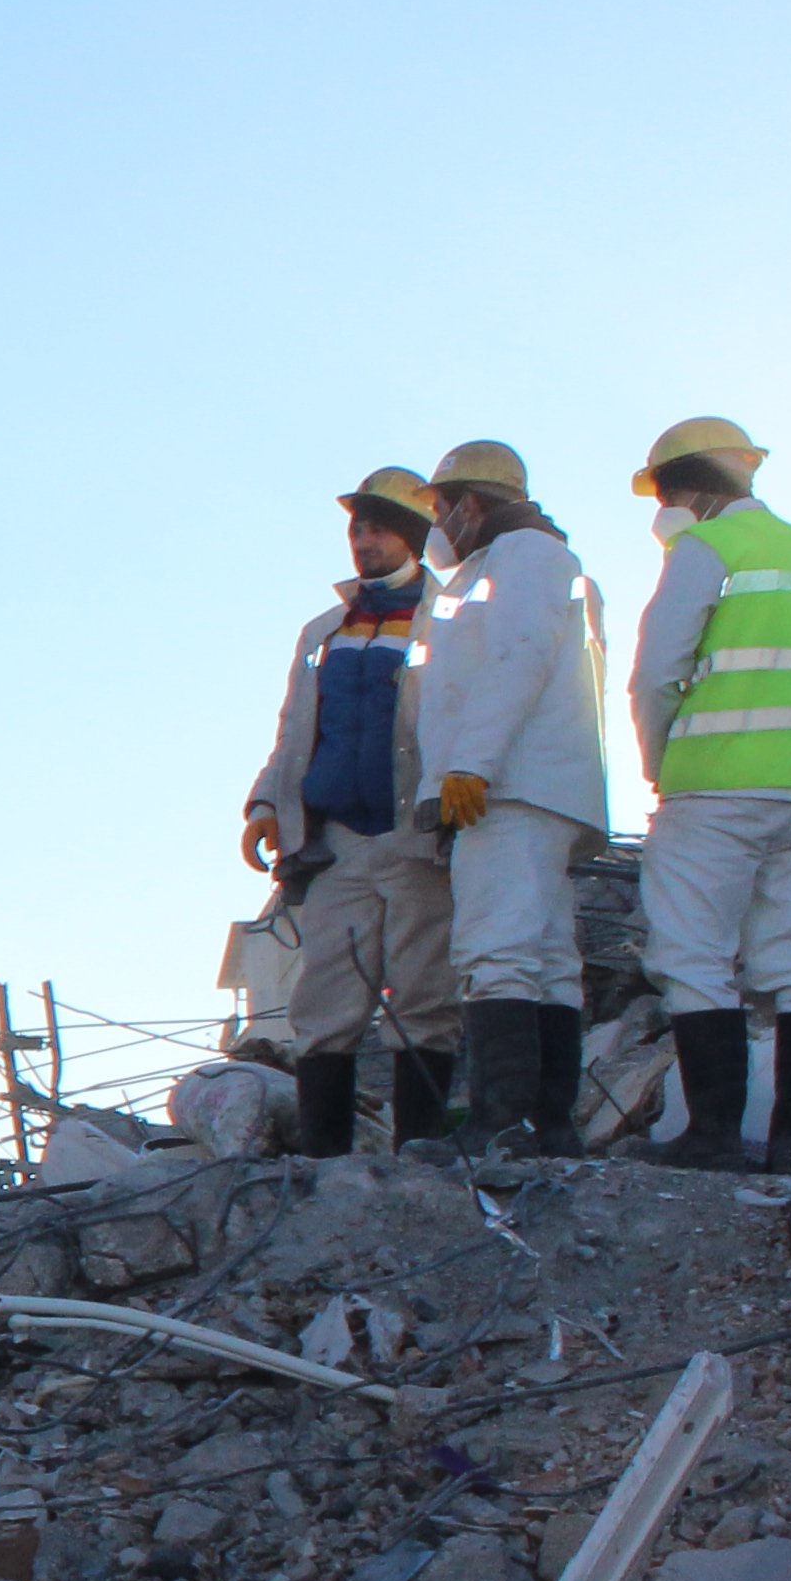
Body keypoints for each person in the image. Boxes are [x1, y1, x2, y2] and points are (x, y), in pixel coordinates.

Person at [624, 417, 791, 1170]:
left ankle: (714, 1134)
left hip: (719, 783)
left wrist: (663, 764)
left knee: (694, 952)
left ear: (685, 490)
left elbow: (656, 672)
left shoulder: (706, 549)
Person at [244, 466, 459, 1156]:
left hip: (415, 834)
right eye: (357, 529)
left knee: (425, 991)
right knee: (326, 998)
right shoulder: (323, 632)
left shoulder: (448, 615)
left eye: (378, 528)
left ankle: (420, 1150)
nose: (363, 542)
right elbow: (295, 730)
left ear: (413, 536)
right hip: (338, 840)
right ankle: (325, 1159)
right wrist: (265, 804)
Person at [413, 440, 615, 1152]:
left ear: (469, 504)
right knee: (548, 957)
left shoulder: (521, 560)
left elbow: (514, 655)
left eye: (440, 508)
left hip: (509, 786)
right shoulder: (544, 562)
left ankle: (504, 1125)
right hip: (540, 786)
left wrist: (469, 765)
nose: (436, 524)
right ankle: (548, 1127)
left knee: (495, 950)